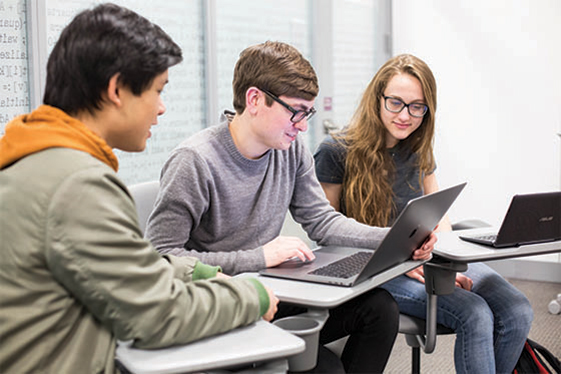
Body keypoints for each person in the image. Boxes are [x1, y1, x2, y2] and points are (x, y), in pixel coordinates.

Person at [0, 4, 278, 373]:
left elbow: (121, 265)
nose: (161, 109)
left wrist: (194, 272)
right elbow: (156, 316)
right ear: (116, 89)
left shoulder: (37, 159)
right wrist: (252, 295)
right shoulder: (78, 184)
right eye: (157, 90)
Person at [145, 40, 436, 373]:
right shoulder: (195, 161)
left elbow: (322, 220)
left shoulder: (290, 149)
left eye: (307, 113)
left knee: (379, 309)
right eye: (295, 111)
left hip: (272, 294)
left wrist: (393, 238)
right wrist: (259, 257)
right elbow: (161, 258)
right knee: (326, 369)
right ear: (255, 99)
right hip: (220, 303)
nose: (302, 125)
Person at [313, 53, 534, 374]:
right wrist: (408, 265)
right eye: (396, 103)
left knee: (518, 309)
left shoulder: (417, 147)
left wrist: (444, 258)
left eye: (417, 106)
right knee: (474, 314)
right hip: (376, 271)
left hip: (427, 258)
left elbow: (439, 211)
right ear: (378, 99)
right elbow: (325, 234)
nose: (406, 115)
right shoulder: (335, 151)